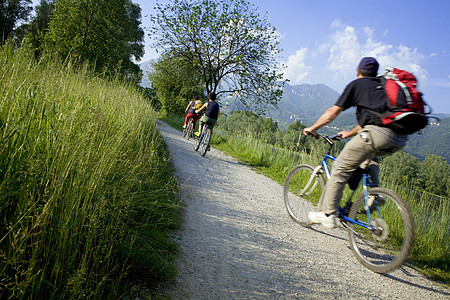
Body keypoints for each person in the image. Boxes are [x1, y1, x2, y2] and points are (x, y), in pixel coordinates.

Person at [303, 57, 408, 229]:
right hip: (398, 137)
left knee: (340, 168)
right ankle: (376, 193)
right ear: (375, 73)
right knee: (369, 159)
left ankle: (328, 214)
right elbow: (367, 122)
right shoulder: (382, 87)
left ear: (358, 71)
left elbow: (332, 113)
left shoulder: (357, 85)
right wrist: (349, 133)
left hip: (375, 135)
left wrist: (313, 128)